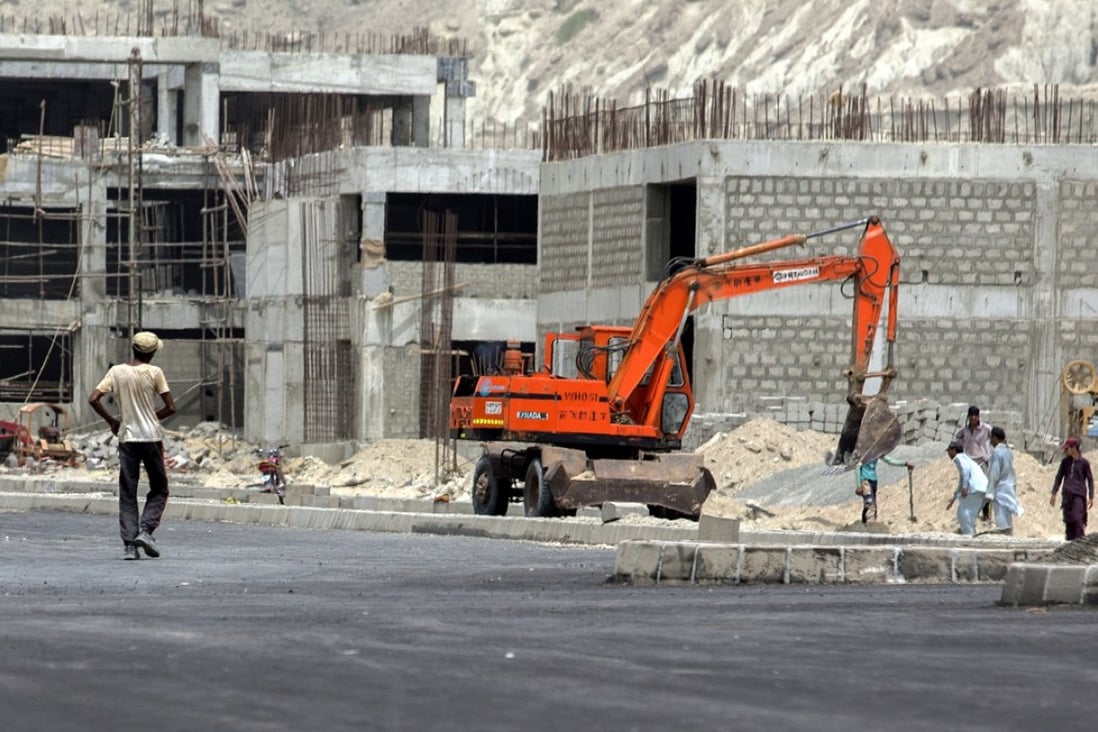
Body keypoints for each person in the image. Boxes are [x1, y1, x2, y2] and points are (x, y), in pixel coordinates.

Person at [89, 331, 176, 560]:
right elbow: (171, 407)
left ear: (133, 348)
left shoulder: (116, 371)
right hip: (151, 438)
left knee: (128, 492)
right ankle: (146, 531)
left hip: (127, 438)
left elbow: (93, 398)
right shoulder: (155, 372)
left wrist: (112, 421)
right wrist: (151, 417)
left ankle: (129, 546)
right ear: (153, 352)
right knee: (159, 488)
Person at [1049, 437, 1094, 541]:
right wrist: (1054, 493)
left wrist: (1091, 496)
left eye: (1067, 448)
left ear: (1074, 448)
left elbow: (1090, 480)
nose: (1066, 450)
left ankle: (1081, 544)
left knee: (1078, 519)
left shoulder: (1084, 463)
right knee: (1069, 522)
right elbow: (1059, 477)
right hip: (1067, 496)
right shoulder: (1065, 462)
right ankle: (1070, 546)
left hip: (1079, 495)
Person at [955, 405, 992, 521]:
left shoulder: (986, 429)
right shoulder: (965, 431)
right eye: (971, 416)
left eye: (975, 416)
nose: (973, 418)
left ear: (978, 416)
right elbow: (958, 438)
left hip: (982, 461)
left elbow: (995, 436)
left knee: (984, 488)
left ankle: (986, 514)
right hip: (970, 461)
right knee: (971, 488)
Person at [945, 439, 988, 536]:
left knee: (963, 513)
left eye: (949, 451)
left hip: (976, 488)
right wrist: (954, 498)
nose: (948, 454)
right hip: (983, 489)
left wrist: (965, 487)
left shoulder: (959, 458)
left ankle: (968, 535)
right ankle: (971, 534)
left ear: (954, 450)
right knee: (970, 514)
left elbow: (966, 471)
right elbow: (962, 479)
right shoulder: (965, 459)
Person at [855, 454, 914, 523]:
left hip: (874, 480)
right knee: (870, 504)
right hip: (865, 480)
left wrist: (905, 464)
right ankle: (870, 525)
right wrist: (858, 485)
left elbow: (889, 461)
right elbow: (857, 467)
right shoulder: (865, 452)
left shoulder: (877, 452)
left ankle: (865, 523)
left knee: (872, 504)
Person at [986, 426, 1023, 533]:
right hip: (1010, 487)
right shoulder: (1008, 451)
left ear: (995, 438)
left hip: (1000, 489)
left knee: (1001, 518)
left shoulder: (997, 452)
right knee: (1008, 518)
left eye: (991, 438)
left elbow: (994, 473)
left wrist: (989, 492)